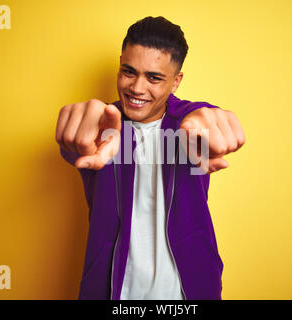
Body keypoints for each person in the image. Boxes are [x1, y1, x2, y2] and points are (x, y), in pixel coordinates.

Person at [55, 16, 245, 300]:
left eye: (154, 77)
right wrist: (75, 137)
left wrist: (210, 121)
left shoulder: (188, 125)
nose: (137, 88)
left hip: (186, 290)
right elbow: (77, 144)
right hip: (113, 291)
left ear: (176, 81)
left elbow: (200, 117)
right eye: (128, 72)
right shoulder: (104, 127)